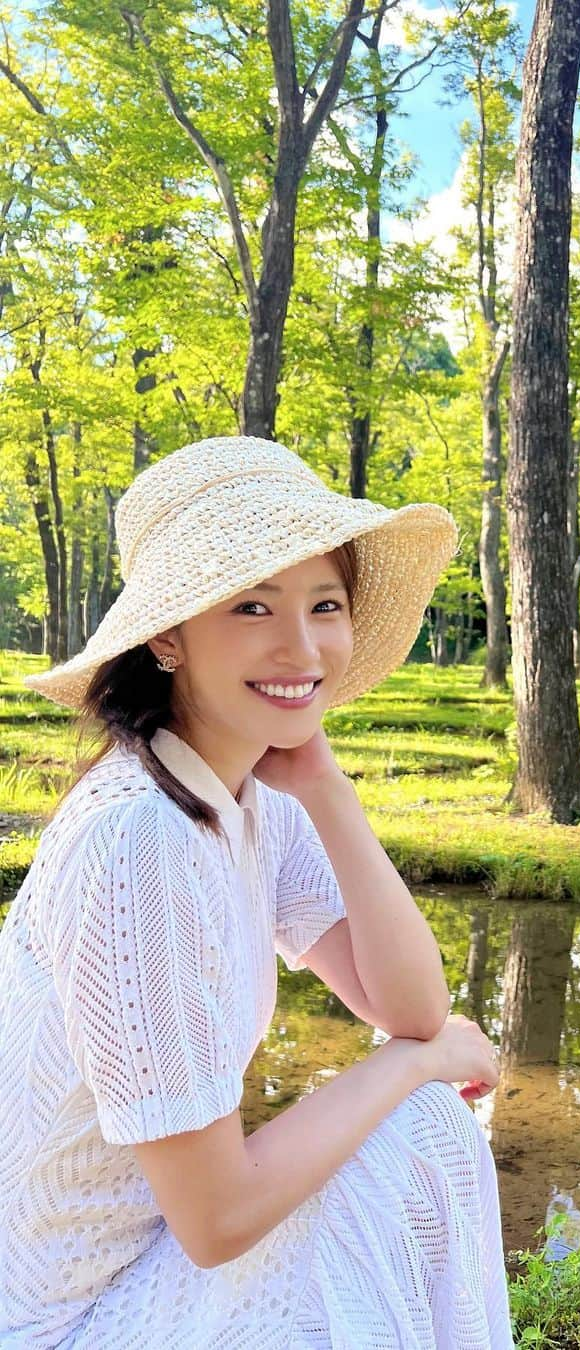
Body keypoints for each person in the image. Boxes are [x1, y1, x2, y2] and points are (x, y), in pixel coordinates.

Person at [0, 435, 515, 1347]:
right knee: (420, 1107)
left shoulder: (241, 793)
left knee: (427, 1119)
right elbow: (218, 1221)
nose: (302, 645)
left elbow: (413, 1004)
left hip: (147, 1259)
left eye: (326, 604)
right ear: (168, 635)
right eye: (251, 606)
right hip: (71, 1315)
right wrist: (402, 1066)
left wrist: (325, 786)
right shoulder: (137, 839)